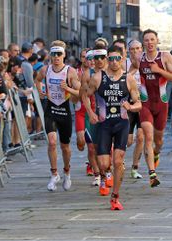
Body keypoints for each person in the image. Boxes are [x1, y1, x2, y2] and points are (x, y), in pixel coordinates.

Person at [86, 45, 141, 210]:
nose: (114, 62)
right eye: (111, 59)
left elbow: (138, 103)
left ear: (123, 59)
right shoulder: (98, 77)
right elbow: (85, 95)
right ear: (107, 60)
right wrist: (90, 112)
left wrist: (131, 107)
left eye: (118, 58)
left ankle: (115, 196)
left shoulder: (128, 79)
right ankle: (104, 175)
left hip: (121, 123)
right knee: (104, 163)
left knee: (118, 161)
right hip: (104, 124)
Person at [131, 29, 172, 187]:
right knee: (148, 136)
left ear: (157, 41)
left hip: (161, 104)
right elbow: (127, 74)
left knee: (158, 141)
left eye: (152, 39)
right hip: (145, 103)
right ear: (143, 43)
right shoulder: (139, 58)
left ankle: (157, 153)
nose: (149, 43)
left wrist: (159, 70)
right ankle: (152, 174)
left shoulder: (165, 56)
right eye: (146, 40)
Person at [40, 40, 81, 191]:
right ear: (50, 56)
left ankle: (67, 172)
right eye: (53, 54)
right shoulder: (45, 70)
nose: (56, 57)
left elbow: (80, 92)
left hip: (64, 111)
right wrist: (41, 91)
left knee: (65, 146)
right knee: (52, 142)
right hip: (51, 110)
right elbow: (37, 80)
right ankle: (54, 174)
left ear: (64, 55)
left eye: (59, 54)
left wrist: (68, 89)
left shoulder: (70, 71)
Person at [80, 46, 108, 187]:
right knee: (92, 147)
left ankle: (107, 171)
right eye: (91, 58)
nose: (95, 61)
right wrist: (90, 112)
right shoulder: (87, 74)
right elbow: (83, 95)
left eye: (99, 57)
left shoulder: (112, 72)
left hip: (109, 114)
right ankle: (97, 175)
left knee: (107, 148)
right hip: (92, 114)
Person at [127, 40, 144, 179]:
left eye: (138, 48)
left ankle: (135, 167)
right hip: (129, 104)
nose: (135, 51)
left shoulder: (147, 62)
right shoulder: (124, 64)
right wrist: (133, 69)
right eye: (132, 49)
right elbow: (121, 80)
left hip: (143, 103)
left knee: (141, 136)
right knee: (128, 141)